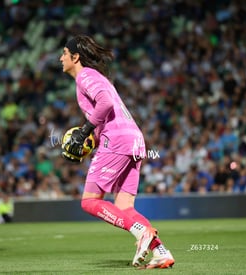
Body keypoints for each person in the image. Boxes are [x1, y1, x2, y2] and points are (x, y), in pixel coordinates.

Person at [60, 35, 174, 269]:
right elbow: (109, 109)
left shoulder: (85, 76)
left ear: (76, 56)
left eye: (64, 53)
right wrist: (91, 138)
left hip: (118, 140)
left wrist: (84, 132)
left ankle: (141, 232)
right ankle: (161, 252)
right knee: (124, 208)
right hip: (134, 140)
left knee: (90, 201)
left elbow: (106, 104)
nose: (60, 58)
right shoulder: (96, 78)